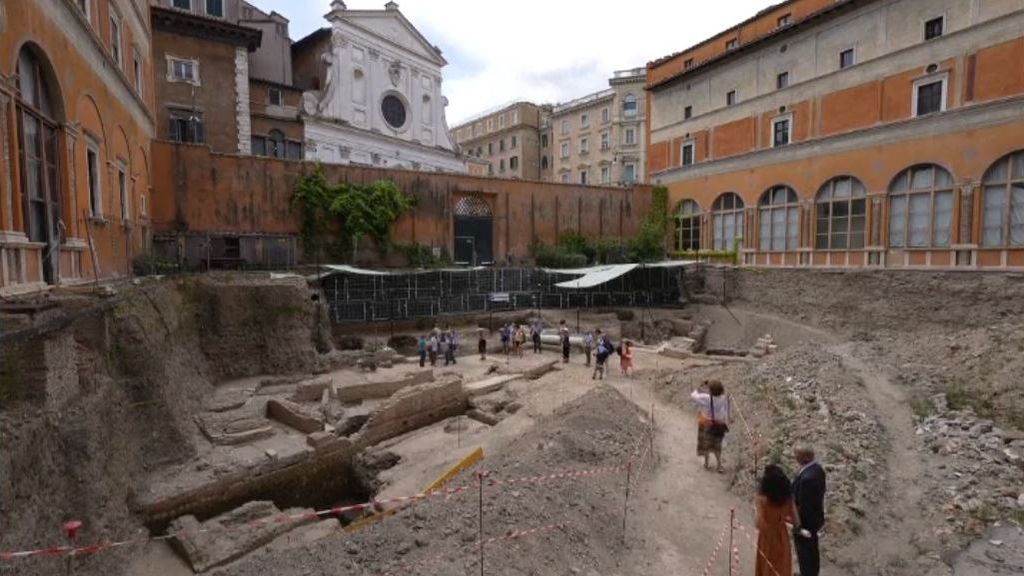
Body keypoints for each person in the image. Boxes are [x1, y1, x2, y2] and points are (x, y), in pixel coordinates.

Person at [792, 446, 827, 576]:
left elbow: (803, 505)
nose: (795, 456)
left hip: (806, 523)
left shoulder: (807, 479)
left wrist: (798, 525)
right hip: (816, 519)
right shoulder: (817, 469)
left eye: (797, 454)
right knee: (812, 552)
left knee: (805, 553)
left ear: (806, 458)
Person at [755, 465, 795, 576]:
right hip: (782, 536)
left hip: (766, 538)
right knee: (782, 566)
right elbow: (796, 520)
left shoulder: (761, 500)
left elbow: (758, 523)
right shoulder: (788, 499)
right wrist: (782, 518)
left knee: (766, 566)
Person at [690, 380, 731, 472]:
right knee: (717, 446)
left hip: (706, 424)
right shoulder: (724, 398)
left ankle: (706, 463)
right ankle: (719, 465)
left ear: (710, 390)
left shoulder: (706, 398)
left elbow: (693, 395)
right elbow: (726, 411)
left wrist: (699, 387)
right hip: (719, 425)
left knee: (706, 444)